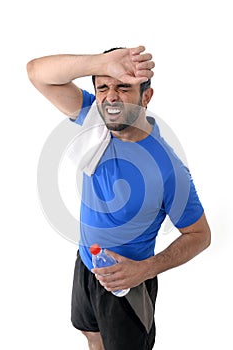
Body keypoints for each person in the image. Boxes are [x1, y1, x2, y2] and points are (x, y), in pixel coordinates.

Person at [27, 45, 211, 350]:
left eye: (123, 87)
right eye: (103, 87)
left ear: (146, 97)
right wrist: (102, 63)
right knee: (91, 334)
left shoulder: (168, 169)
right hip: (87, 262)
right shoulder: (93, 122)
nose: (111, 96)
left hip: (129, 286)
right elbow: (37, 73)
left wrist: (143, 270)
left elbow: (200, 235)